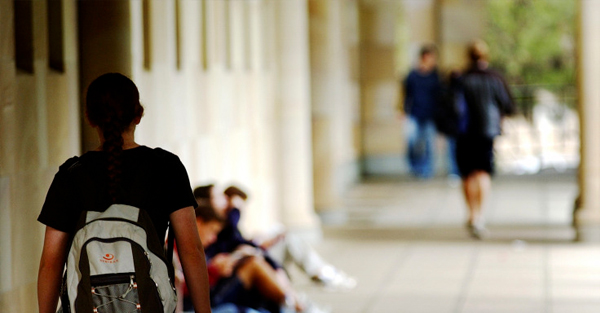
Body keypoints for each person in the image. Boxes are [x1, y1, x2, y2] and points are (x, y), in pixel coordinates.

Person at [37, 73, 211, 313]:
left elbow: (50, 263)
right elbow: (191, 249)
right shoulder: (166, 167)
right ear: (138, 115)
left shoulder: (70, 175)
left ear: (89, 117)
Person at [223, 185, 357, 291]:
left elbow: (239, 241)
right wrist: (235, 210)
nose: (242, 210)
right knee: (289, 240)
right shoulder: (225, 220)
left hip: (254, 252)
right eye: (239, 206)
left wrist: (255, 238)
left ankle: (323, 271)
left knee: (288, 237)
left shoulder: (228, 221)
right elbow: (235, 244)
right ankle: (323, 273)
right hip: (251, 259)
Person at [456, 40, 515, 238]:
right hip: (486, 132)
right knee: (483, 172)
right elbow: (508, 105)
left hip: (464, 132)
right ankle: (479, 215)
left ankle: (471, 213)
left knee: (468, 174)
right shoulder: (495, 78)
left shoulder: (460, 78)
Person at [403, 44, 442, 179]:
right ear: (424, 57)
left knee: (429, 145)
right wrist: (403, 110)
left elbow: (440, 96)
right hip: (415, 114)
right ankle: (416, 167)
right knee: (412, 142)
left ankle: (427, 170)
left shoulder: (436, 76)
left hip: (431, 115)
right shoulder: (412, 75)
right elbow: (406, 94)